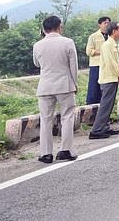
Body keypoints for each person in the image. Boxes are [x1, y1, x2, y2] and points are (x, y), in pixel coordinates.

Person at [33, 15, 79, 163]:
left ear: (44, 29)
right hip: (64, 85)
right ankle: (65, 150)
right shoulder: (68, 42)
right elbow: (74, 67)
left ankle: (46, 153)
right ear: (59, 26)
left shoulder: (37, 45)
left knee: (45, 119)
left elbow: (37, 64)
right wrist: (75, 84)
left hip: (45, 86)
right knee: (67, 117)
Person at [89, 22, 119, 139]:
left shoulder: (112, 44)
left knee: (109, 105)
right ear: (114, 31)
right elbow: (111, 63)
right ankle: (96, 130)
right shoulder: (108, 45)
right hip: (108, 78)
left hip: (111, 77)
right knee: (105, 105)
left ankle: (104, 127)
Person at [85, 16, 110, 104]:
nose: (107, 25)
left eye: (108, 23)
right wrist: (101, 52)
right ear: (99, 24)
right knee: (94, 87)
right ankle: (91, 105)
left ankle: (102, 104)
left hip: (107, 64)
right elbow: (88, 51)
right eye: (105, 23)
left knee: (105, 86)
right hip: (96, 65)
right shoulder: (93, 36)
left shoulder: (110, 36)